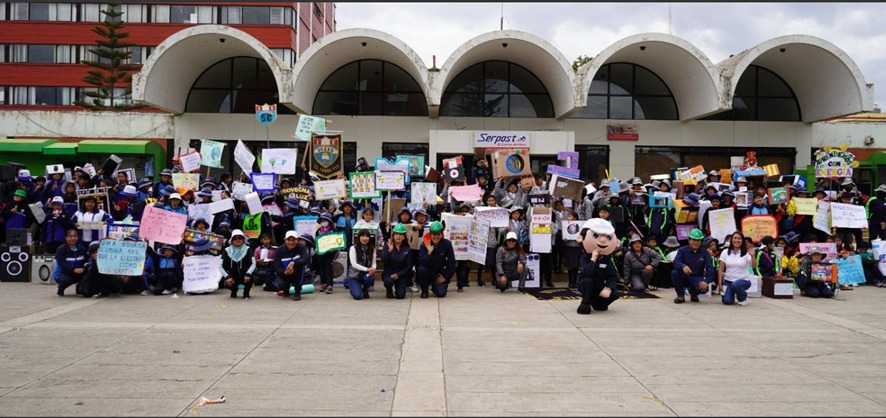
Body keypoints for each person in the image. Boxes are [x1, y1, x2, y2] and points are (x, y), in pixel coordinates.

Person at [575, 218, 621, 315]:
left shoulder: (606, 259)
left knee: (615, 293)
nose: (603, 240)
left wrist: (609, 287)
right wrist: (593, 259)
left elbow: (611, 276)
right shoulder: (585, 258)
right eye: (596, 235)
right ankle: (585, 302)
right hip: (587, 285)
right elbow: (587, 273)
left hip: (599, 287)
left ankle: (599, 303)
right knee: (587, 281)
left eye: (608, 237)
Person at [671, 228, 715, 303]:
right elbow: (676, 262)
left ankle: (693, 293)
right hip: (684, 276)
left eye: (698, 240)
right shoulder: (682, 250)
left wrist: (706, 281)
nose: (696, 242)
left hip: (697, 278)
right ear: (689, 240)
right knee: (674, 273)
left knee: (704, 288)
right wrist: (683, 266)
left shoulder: (705, 253)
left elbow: (710, 268)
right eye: (694, 240)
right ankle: (680, 296)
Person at [417, 221, 455, 298]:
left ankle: (436, 287)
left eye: (438, 234)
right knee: (421, 269)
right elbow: (421, 261)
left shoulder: (447, 244)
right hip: (427, 271)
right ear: (430, 234)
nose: (436, 237)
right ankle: (424, 290)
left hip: (439, 272)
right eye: (434, 234)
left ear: (442, 234)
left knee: (441, 294)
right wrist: (428, 253)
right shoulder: (424, 244)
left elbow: (452, 262)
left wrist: (445, 277)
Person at [717, 231, 756, 306]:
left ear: (742, 240)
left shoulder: (746, 253)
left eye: (739, 238)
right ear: (731, 240)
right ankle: (732, 293)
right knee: (727, 301)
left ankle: (742, 297)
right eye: (735, 238)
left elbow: (754, 266)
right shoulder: (725, 252)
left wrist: (753, 256)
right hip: (728, 281)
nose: (737, 240)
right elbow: (721, 269)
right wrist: (720, 283)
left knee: (736, 285)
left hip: (743, 281)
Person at [273, 230, 310, 301]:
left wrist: (294, 263)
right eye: (289, 240)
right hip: (285, 272)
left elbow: (306, 259)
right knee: (281, 283)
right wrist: (285, 272)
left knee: (300, 269)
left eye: (293, 240)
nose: (291, 242)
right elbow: (277, 267)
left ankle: (297, 292)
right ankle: (285, 290)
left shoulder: (302, 248)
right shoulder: (279, 250)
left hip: (297, 271)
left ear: (297, 240)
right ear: (285, 240)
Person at [221, 229, 255, 300]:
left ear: (243, 239)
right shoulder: (226, 250)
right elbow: (220, 266)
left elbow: (253, 263)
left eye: (240, 238)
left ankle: (246, 292)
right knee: (227, 282)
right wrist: (227, 277)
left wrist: (248, 274)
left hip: (245, 275)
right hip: (233, 275)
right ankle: (234, 290)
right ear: (232, 240)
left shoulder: (248, 249)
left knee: (251, 278)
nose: (237, 240)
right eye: (235, 238)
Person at [382, 223, 412, 299]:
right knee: (388, 281)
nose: (398, 236)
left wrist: (398, 274)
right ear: (393, 235)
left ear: (404, 237)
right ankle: (389, 289)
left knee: (400, 296)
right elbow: (383, 260)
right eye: (396, 234)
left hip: (401, 275)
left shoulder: (407, 249)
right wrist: (389, 251)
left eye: (401, 234)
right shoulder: (387, 245)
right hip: (389, 273)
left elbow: (408, 266)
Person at [54, 229, 87, 297]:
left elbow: (86, 261)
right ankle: (60, 289)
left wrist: (84, 268)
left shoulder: (82, 249)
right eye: (70, 236)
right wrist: (74, 270)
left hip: (78, 272)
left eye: (74, 236)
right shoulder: (60, 250)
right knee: (67, 280)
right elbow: (62, 264)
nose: (72, 238)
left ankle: (80, 289)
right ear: (66, 238)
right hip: (63, 273)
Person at [346, 229, 377, 300]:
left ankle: (365, 289)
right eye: (363, 236)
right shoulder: (353, 248)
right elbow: (354, 264)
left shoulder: (372, 248)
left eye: (367, 236)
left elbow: (374, 262)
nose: (365, 238)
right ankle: (352, 287)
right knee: (358, 296)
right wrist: (367, 269)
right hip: (354, 276)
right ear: (359, 237)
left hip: (365, 275)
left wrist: (373, 268)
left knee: (371, 278)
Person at [315, 212, 338, 294]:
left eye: (325, 220)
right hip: (320, 252)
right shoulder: (318, 231)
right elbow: (316, 240)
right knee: (321, 268)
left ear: (329, 221)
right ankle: (323, 283)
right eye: (322, 220)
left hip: (329, 252)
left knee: (328, 268)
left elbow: (337, 241)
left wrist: (334, 249)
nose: (323, 222)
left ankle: (330, 285)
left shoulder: (333, 230)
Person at [562, 211, 583, 289]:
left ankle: (575, 281)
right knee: (570, 266)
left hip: (577, 247)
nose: (569, 218)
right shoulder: (566, 225)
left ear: (575, 218)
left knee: (576, 265)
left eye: (570, 216)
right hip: (569, 246)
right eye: (568, 216)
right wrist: (564, 239)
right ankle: (570, 281)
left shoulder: (580, 226)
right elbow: (564, 236)